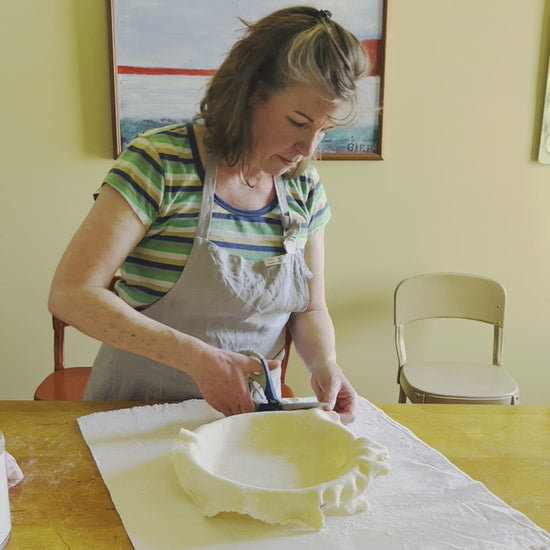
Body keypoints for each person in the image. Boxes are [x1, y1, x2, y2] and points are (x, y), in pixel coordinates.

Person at [48, 6, 369, 424]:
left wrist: (325, 363)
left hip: (244, 418)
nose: (307, 149)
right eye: (297, 122)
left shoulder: (303, 187)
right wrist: (200, 360)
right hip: (133, 413)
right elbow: (72, 293)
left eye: (324, 130)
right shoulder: (160, 162)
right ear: (251, 94)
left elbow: (309, 309)